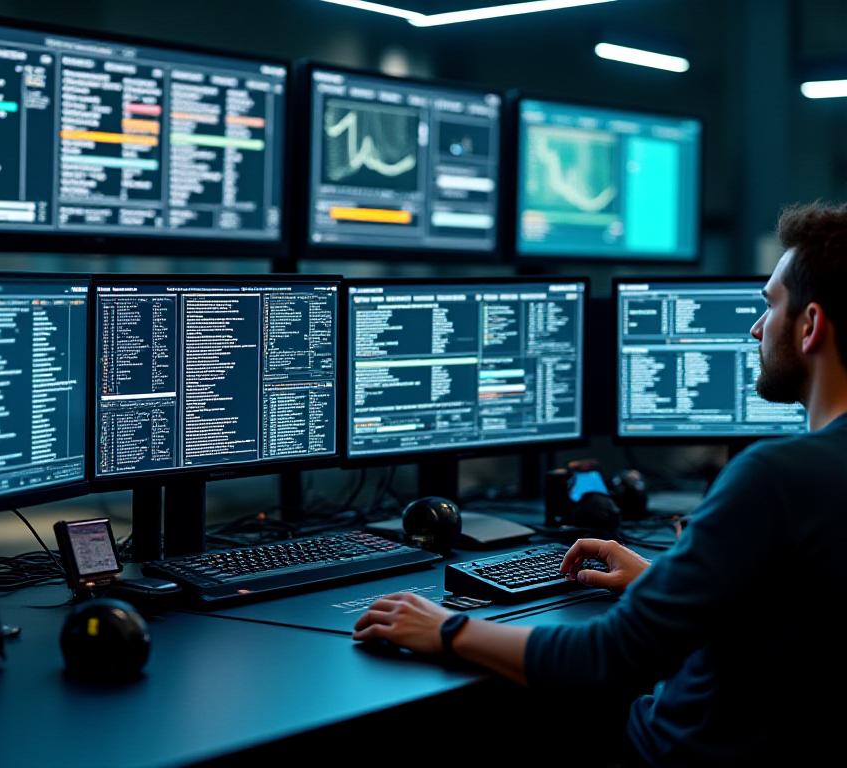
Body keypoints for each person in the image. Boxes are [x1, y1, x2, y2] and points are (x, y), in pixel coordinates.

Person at [353, 202, 847, 765]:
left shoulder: (773, 477)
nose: (757, 328)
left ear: (810, 326)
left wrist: (446, 628)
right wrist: (665, 583)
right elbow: (795, 610)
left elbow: (608, 656)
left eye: (770, 307)